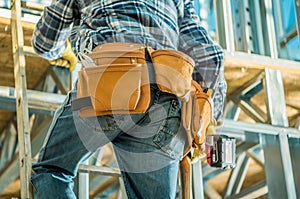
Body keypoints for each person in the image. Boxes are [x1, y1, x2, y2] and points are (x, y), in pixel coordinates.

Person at [30, 0, 227, 198]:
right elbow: (210, 57)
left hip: (103, 81)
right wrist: (207, 124)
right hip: (167, 96)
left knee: (52, 171)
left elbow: (45, 43)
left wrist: (64, 51)